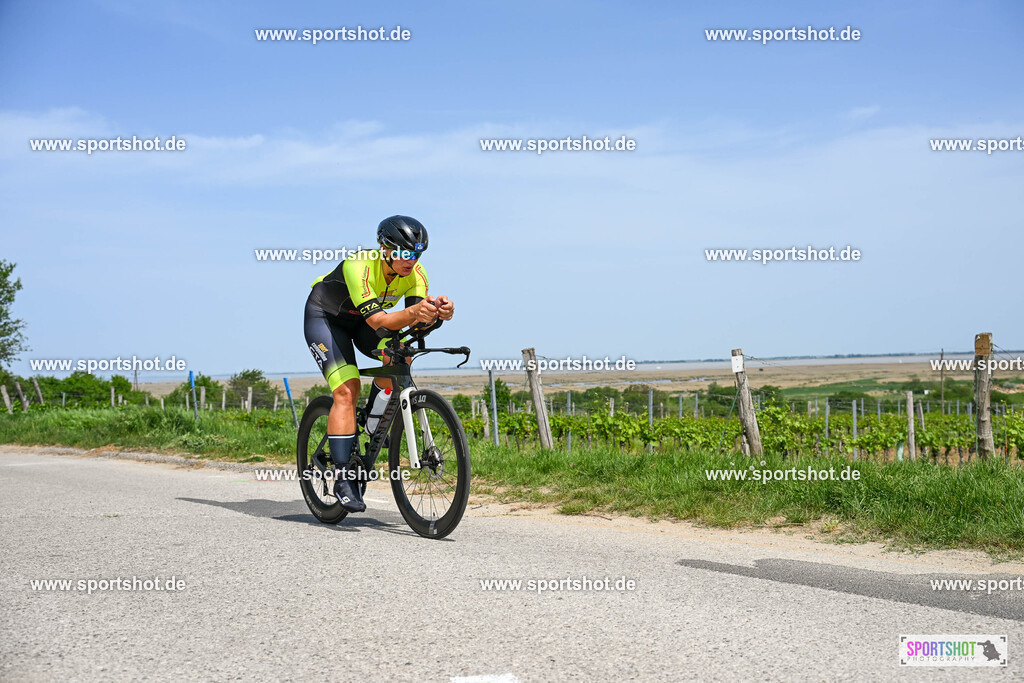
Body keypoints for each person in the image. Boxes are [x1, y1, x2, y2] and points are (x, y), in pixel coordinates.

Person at [303, 216, 454, 512]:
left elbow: (415, 324)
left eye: (418, 253)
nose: (412, 260)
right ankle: (343, 477)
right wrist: (416, 314)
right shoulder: (358, 265)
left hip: (361, 323)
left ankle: (373, 423)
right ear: (386, 248)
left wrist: (436, 316)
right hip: (326, 318)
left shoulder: (417, 274)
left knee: (400, 354)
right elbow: (379, 320)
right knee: (347, 390)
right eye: (406, 253)